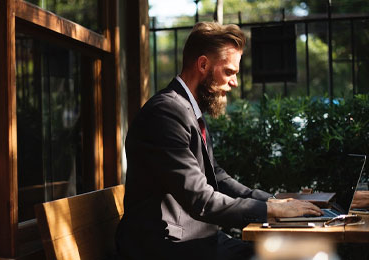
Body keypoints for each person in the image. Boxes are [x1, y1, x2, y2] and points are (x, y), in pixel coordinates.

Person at [115, 22, 323, 260]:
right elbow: (200, 199)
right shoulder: (166, 113)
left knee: (291, 251)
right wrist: (270, 210)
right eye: (229, 72)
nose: (234, 82)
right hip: (163, 247)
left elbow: (217, 178)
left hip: (193, 239)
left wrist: (273, 201)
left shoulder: (187, 109)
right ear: (203, 64)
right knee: (290, 255)